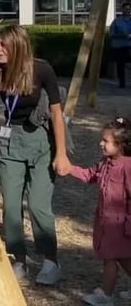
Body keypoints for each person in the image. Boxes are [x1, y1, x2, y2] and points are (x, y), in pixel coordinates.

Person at [0, 25, 69, 285]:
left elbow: (58, 113)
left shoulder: (42, 69)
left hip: (41, 141)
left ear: (18, 46)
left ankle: (50, 261)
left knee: (38, 205)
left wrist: (61, 154)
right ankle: (19, 260)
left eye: (3, 45)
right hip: (10, 140)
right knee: (11, 206)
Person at [66, 117, 131, 306]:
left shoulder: (127, 167)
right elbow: (89, 175)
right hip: (105, 222)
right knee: (123, 257)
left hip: (120, 224)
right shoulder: (105, 162)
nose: (101, 143)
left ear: (121, 145)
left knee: (110, 259)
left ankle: (106, 295)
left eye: (106, 141)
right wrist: (69, 169)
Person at [110, 3, 131, 88]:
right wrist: (121, 35)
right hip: (119, 46)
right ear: (122, 10)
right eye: (125, 9)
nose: (127, 10)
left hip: (129, 45)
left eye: (129, 9)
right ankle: (122, 82)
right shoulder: (117, 21)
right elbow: (111, 34)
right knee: (120, 65)